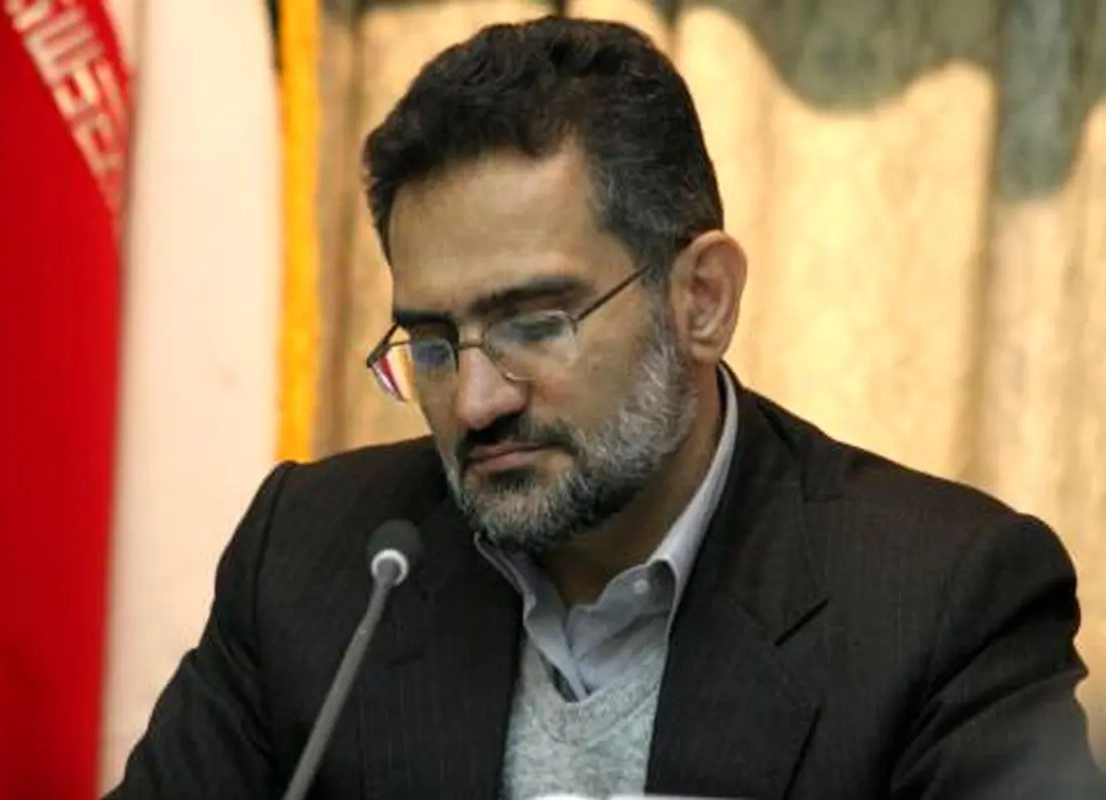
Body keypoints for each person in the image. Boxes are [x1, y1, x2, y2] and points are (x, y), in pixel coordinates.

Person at [106, 16, 1106, 800]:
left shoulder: (939, 601)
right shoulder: (316, 558)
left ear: (702, 299)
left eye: (535, 323)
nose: (477, 401)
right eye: (433, 342)